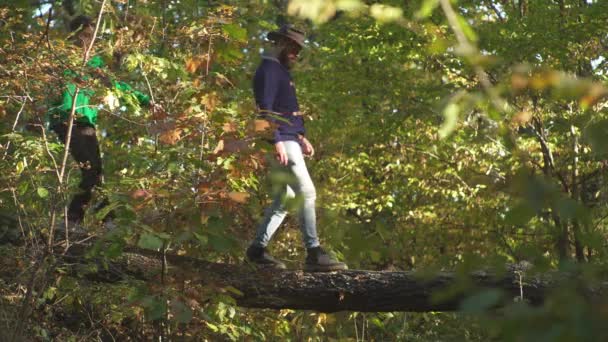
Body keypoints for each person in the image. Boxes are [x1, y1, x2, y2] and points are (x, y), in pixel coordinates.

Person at [246, 25, 348, 272]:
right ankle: (314, 253)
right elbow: (266, 109)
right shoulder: (269, 69)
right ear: (281, 44)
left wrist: (301, 137)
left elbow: (286, 110)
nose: (296, 54)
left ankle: (257, 251)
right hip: (281, 140)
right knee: (307, 192)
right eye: (293, 48)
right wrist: (277, 140)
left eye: (298, 50)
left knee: (286, 199)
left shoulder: (280, 70)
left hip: (290, 139)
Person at [47, 15, 154, 230]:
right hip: (65, 119)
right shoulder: (62, 57)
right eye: (86, 35)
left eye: (92, 36)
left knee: (96, 172)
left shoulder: (95, 63)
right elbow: (47, 88)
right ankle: (79, 221)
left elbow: (117, 86)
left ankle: (99, 221)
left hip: (86, 123)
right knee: (90, 169)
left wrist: (145, 101)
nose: (89, 40)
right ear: (75, 35)